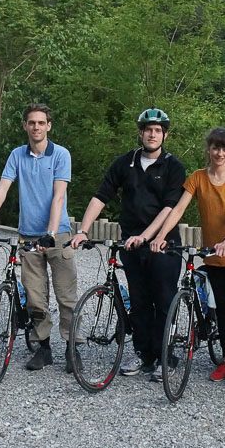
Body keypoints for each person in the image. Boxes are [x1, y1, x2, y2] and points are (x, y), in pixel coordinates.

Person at [70, 108, 186, 381]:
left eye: (158, 130)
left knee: (164, 300)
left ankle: (165, 356)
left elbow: (170, 208)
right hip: (131, 245)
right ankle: (144, 354)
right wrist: (83, 230)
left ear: (164, 135)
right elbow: (101, 196)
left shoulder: (173, 166)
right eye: (148, 129)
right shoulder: (125, 163)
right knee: (139, 302)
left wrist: (146, 236)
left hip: (163, 244)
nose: (152, 134)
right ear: (141, 132)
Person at [0, 103, 79, 373]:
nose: (36, 127)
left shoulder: (60, 154)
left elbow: (58, 196)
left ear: (49, 126)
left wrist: (51, 233)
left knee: (66, 296)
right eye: (31, 122)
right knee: (35, 297)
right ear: (25, 126)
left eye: (41, 123)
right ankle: (43, 348)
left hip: (58, 234)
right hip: (28, 236)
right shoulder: (17, 155)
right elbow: (1, 190)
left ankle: (71, 348)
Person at [150, 127, 225, 387]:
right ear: (208, 149)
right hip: (213, 254)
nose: (220, 153)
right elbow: (179, 209)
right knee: (222, 308)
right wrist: (161, 235)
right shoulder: (198, 177)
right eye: (216, 148)